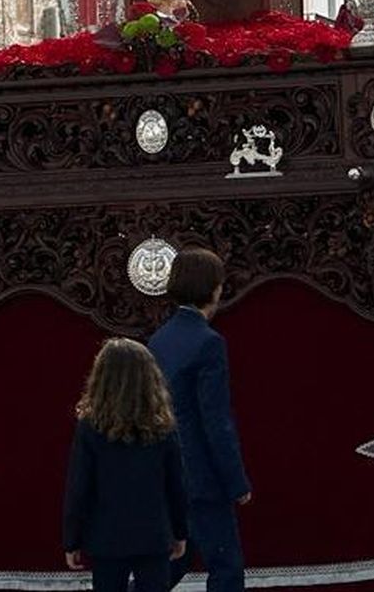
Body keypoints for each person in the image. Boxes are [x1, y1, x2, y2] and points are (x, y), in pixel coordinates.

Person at [149, 249, 251, 592]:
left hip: (167, 471)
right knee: (226, 568)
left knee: (172, 564)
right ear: (213, 288)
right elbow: (215, 419)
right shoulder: (209, 343)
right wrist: (235, 481)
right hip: (203, 476)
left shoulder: (158, 340)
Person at [63, 338, 189, 592]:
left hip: (105, 538)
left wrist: (71, 540)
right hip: (153, 535)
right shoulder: (162, 426)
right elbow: (177, 485)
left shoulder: (91, 426)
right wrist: (179, 531)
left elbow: (79, 487)